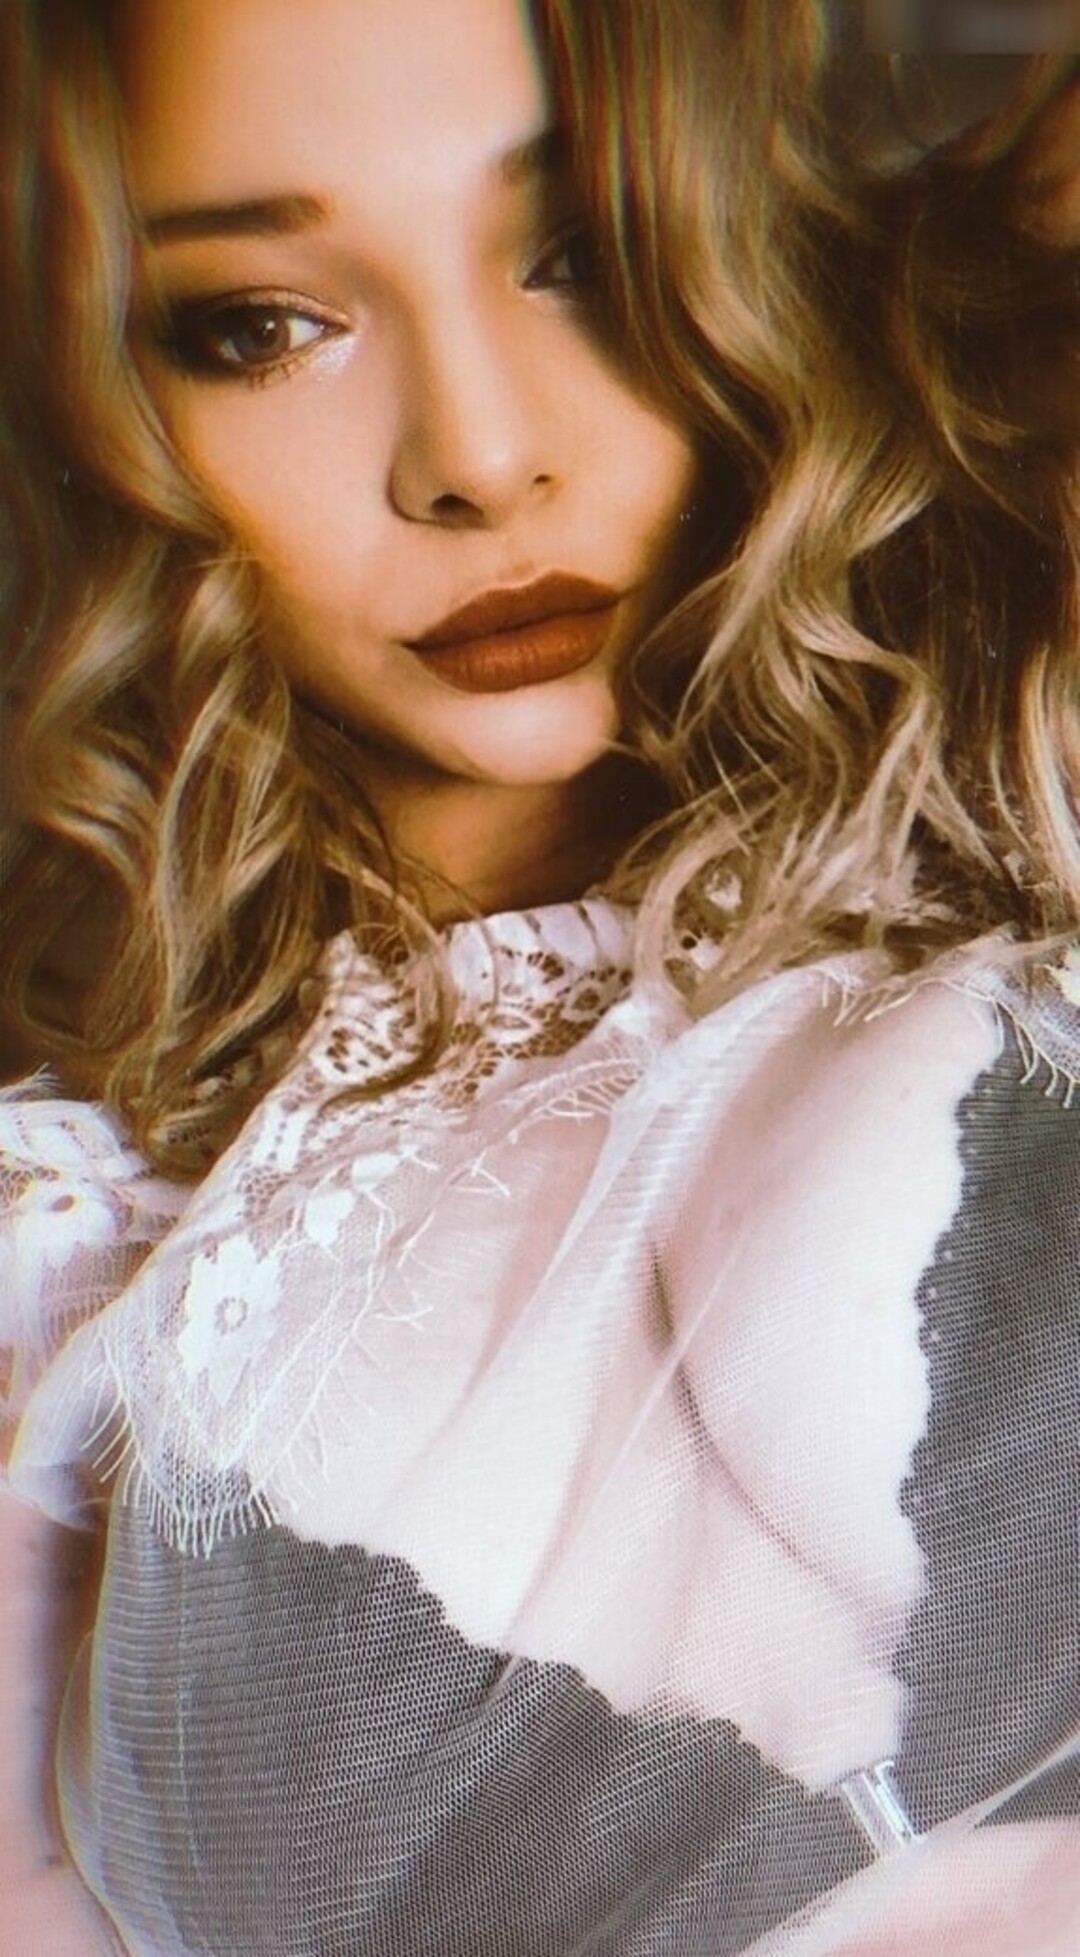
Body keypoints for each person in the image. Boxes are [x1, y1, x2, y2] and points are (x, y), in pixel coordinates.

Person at [0, 2, 1077, 1951]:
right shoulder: (83, 1242)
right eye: (262, 325)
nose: (480, 458)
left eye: (580, 252)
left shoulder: (1022, 783)